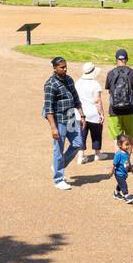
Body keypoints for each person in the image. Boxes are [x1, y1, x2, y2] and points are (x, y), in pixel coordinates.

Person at [41, 56, 84, 190]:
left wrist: (82, 115)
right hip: (59, 120)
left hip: (70, 117)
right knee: (58, 150)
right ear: (55, 68)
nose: (65, 69)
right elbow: (48, 108)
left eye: (66, 67)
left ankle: (57, 166)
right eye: (62, 67)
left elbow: (76, 98)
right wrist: (53, 128)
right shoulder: (50, 84)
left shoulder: (69, 79)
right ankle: (58, 179)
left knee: (78, 143)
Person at [104, 48, 133, 157]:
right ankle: (127, 161)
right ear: (127, 59)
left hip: (114, 111)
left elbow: (110, 92)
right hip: (130, 110)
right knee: (129, 137)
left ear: (116, 59)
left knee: (117, 138)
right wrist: (132, 102)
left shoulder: (111, 73)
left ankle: (119, 161)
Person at [74, 63, 106, 163]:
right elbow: (97, 101)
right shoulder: (95, 84)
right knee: (96, 134)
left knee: (81, 135)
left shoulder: (77, 82)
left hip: (80, 113)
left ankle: (81, 156)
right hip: (93, 113)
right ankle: (97, 154)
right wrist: (101, 114)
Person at [112, 134, 133, 203]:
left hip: (124, 173)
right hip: (118, 173)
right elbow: (114, 164)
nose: (128, 146)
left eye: (128, 144)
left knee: (120, 184)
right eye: (126, 144)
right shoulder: (118, 154)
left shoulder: (127, 153)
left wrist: (131, 168)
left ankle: (116, 193)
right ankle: (126, 196)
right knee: (124, 185)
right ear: (120, 145)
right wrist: (111, 171)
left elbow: (128, 161)